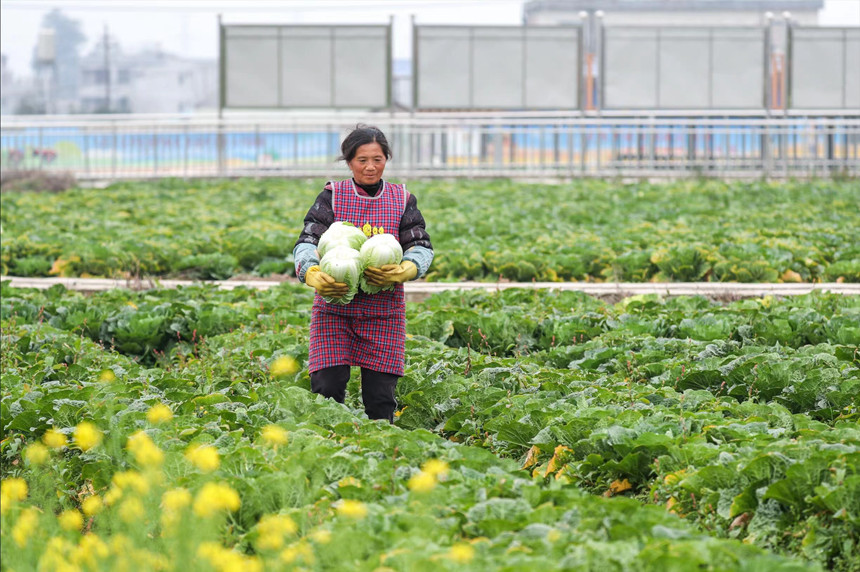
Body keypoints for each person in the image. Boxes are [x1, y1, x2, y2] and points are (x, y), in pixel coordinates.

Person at [293, 125, 434, 422]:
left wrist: (406, 270)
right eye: (362, 160)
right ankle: (329, 444)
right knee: (326, 387)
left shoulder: (402, 199)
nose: (370, 167)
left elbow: (420, 245)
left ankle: (382, 452)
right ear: (349, 161)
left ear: (387, 159)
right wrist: (311, 272)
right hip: (335, 307)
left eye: (378, 159)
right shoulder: (332, 196)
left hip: (384, 310)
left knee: (381, 397)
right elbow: (308, 240)